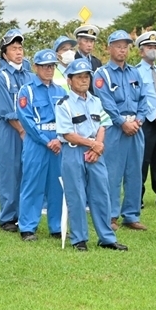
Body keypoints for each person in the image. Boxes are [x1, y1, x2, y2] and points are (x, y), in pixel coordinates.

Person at [56, 59, 127, 251]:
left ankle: (107, 238)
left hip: (95, 152)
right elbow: (67, 133)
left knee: (101, 195)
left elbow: (102, 125)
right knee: (76, 195)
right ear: (69, 80)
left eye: (86, 76)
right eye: (79, 77)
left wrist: (98, 146)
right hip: (73, 151)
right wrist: (93, 144)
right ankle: (79, 239)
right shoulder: (64, 104)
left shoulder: (96, 101)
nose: (84, 80)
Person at [94, 30, 148, 231]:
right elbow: (105, 102)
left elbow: (144, 99)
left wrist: (140, 120)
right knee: (113, 173)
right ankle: (110, 215)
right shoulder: (102, 74)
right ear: (109, 48)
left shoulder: (135, 73)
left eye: (125, 46)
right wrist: (121, 122)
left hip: (136, 127)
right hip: (114, 129)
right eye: (118, 45)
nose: (122, 50)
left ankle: (131, 215)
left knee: (135, 173)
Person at [16, 49, 66, 241]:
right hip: (37, 143)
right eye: (45, 66)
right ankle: (28, 227)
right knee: (32, 184)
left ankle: (56, 226)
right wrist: (46, 141)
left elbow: (66, 117)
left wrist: (59, 139)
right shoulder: (26, 90)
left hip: (57, 142)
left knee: (57, 186)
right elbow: (26, 121)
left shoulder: (60, 91)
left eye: (52, 66)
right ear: (36, 67)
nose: (49, 69)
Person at [0, 28, 35, 232]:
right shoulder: (1, 77)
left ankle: (24, 214)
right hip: (10, 130)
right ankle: (8, 217)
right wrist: (22, 131)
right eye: (13, 49)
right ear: (4, 53)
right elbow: (6, 110)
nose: (18, 52)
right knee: (9, 172)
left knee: (27, 172)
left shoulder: (30, 76)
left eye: (20, 48)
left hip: (29, 130)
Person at [134, 30, 156, 208]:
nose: (153, 50)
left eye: (155, 46)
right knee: (142, 159)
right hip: (146, 122)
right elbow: (139, 98)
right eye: (149, 46)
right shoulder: (136, 72)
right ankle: (137, 197)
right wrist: (153, 115)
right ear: (141, 51)